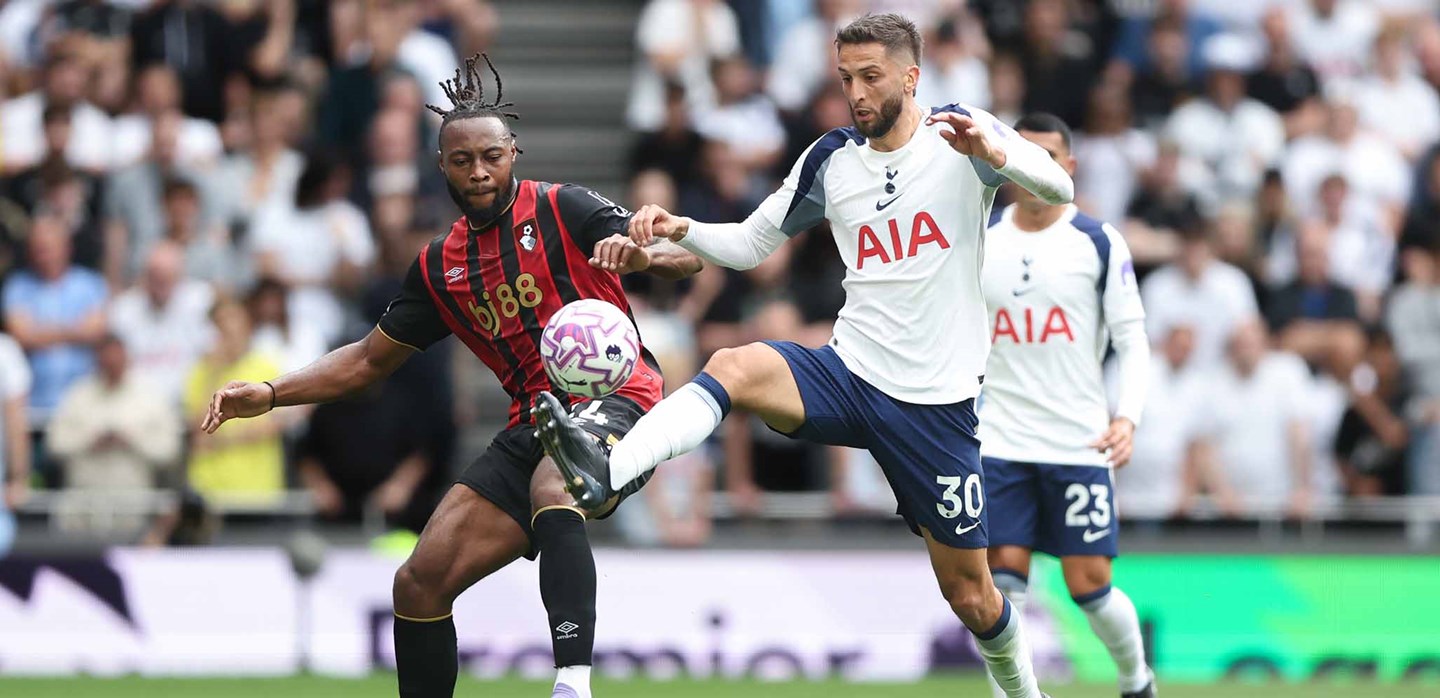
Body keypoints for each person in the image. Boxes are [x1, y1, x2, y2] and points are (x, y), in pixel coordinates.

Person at [534, 15, 1071, 698]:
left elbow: (1059, 187)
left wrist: (997, 149)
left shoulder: (962, 138)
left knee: (971, 596)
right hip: (849, 371)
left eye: (871, 76)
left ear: (911, 76)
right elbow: (752, 244)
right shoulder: (831, 158)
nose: (856, 92)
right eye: (846, 78)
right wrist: (681, 229)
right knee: (734, 364)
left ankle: (1022, 691)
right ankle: (608, 470)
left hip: (935, 406)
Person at [200, 54, 702, 698]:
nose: (479, 171)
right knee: (418, 582)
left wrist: (643, 253)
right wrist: (271, 394)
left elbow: (684, 260)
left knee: (558, 482)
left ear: (513, 152)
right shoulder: (442, 266)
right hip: (534, 422)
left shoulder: (563, 209)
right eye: (462, 161)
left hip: (620, 401)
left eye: (491, 155)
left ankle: (573, 687)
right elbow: (364, 361)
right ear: (442, 165)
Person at [978, 114, 1155, 698]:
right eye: (1023, 155)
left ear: (1069, 167)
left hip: (1077, 440)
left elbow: (1131, 341)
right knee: (1001, 586)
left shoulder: (1098, 242)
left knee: (1091, 585)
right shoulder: (981, 237)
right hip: (999, 438)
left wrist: (1126, 416)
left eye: (1048, 157)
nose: (1035, 170)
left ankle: (1136, 681)